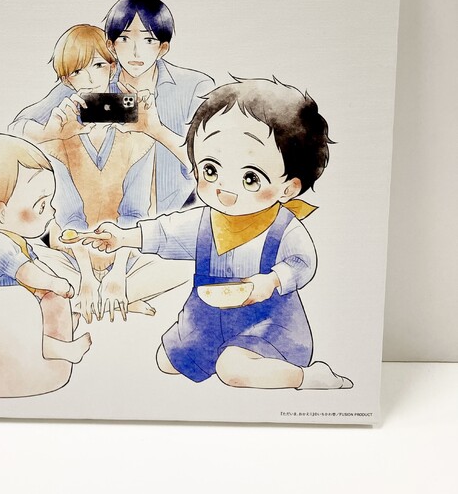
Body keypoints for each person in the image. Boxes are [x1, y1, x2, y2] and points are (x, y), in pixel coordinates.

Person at [80, 78, 353, 390]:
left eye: (250, 178)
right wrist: (121, 237)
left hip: (268, 322)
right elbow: (165, 233)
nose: (225, 189)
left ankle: (308, 377)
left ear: (288, 188)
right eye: (211, 170)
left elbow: (303, 263)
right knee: (166, 361)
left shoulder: (284, 227)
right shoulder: (205, 221)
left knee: (232, 369)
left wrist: (273, 281)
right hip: (207, 319)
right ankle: (220, 353)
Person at [11, 25, 189, 322]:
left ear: (112, 66)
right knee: (29, 262)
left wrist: (117, 275)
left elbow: (135, 212)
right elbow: (69, 217)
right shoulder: (61, 136)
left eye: (98, 66)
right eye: (77, 72)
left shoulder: (137, 135)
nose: (90, 78)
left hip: (127, 254)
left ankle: (109, 296)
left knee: (183, 266)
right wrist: (86, 278)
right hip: (72, 254)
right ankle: (108, 297)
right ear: (67, 80)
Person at [9, 0, 215, 216]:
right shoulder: (95, 78)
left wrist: (156, 131)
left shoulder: (194, 86)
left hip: (181, 209)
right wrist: (49, 133)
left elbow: (212, 162)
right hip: (107, 217)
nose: (136, 52)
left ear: (163, 48)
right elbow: (17, 128)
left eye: (148, 40)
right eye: (125, 39)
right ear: (111, 44)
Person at [0, 133, 92, 365]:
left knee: (38, 305)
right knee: (20, 330)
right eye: (41, 205)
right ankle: (62, 349)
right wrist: (54, 283)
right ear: (1, 212)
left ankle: (57, 329)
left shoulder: (10, 240)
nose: (52, 211)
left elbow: (34, 264)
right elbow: (26, 271)